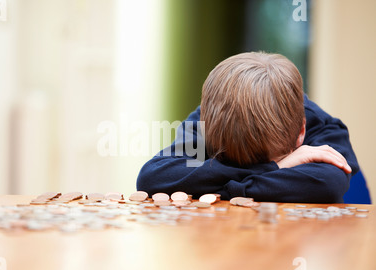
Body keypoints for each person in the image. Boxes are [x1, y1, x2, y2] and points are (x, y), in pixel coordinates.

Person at [136, 52, 360, 203]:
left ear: (302, 131)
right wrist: (276, 168)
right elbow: (153, 177)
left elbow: (327, 184)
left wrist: (215, 187)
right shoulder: (208, 117)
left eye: (272, 161)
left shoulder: (322, 127)